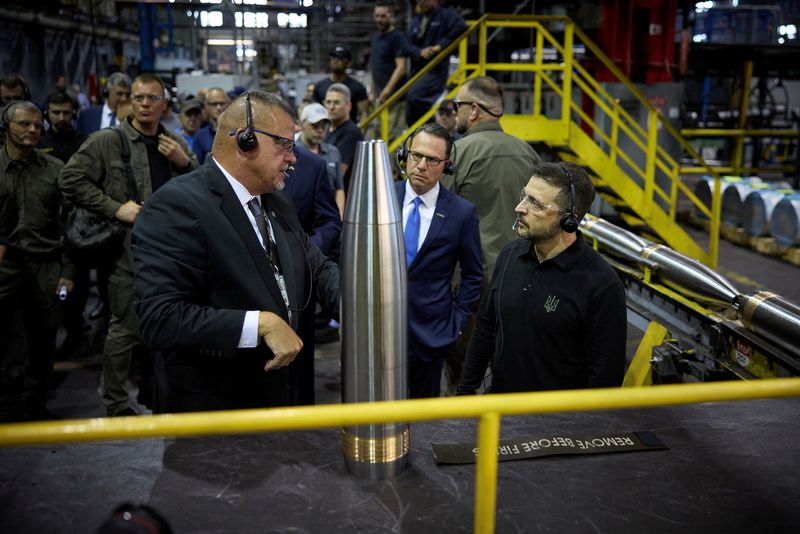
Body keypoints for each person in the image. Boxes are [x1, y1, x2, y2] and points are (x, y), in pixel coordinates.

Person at [131, 91, 340, 413]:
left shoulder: (275, 201)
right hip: (216, 408)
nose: (292, 157)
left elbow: (316, 264)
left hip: (276, 396)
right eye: (284, 144)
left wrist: (361, 305)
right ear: (246, 140)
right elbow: (161, 318)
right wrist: (260, 324)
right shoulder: (176, 206)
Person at [59, 73, 197, 416]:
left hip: (170, 251)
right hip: (128, 252)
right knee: (125, 327)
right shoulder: (109, 141)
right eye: (139, 98)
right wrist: (115, 207)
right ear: (129, 102)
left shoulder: (173, 142)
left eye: (153, 99)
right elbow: (70, 179)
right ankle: (116, 402)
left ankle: (158, 394)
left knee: (168, 325)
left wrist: (185, 163)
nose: (145, 105)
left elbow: (199, 190)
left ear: (165, 104)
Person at [457, 162, 627, 394]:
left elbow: (604, 381)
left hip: (556, 426)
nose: (519, 208)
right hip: (500, 411)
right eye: (524, 196)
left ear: (570, 219)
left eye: (535, 204)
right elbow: (486, 329)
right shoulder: (510, 255)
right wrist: (464, 394)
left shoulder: (601, 285)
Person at [440, 76, 541, 393]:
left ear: (473, 111)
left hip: (469, 287)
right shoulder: (527, 154)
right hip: (520, 282)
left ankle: (463, 432)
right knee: (509, 367)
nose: (454, 113)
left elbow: (439, 223)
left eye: (457, 106)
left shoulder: (458, 154)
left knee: (463, 372)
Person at [396, 123, 482, 398]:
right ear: (404, 155)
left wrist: (455, 323)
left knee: (424, 421)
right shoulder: (382, 196)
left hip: (430, 335)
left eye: (432, 160)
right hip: (379, 331)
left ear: (447, 166)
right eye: (415, 155)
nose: (421, 165)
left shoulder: (461, 213)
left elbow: (473, 274)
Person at [0, 101, 74, 420]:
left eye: (36, 124)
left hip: (47, 266)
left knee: (44, 338)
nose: (33, 130)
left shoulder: (56, 170)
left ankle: (36, 401)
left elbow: (72, 224)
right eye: (24, 124)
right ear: (6, 128)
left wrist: (68, 272)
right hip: (5, 264)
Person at [405, 0, 466, 126]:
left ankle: (427, 128)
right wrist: (419, 52)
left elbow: (462, 26)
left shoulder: (445, 16)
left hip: (435, 70)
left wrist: (440, 46)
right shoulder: (416, 20)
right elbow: (406, 45)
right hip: (417, 71)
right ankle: (419, 131)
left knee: (414, 97)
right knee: (410, 104)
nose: (421, 2)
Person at [295, 102, 344, 216]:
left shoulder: (333, 152)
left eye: (324, 126)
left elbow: (339, 188)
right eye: (315, 125)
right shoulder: (291, 153)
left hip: (326, 218)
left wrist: (338, 218)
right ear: (302, 124)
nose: (320, 130)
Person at [324, 83, 363, 195]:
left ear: (348, 106)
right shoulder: (326, 129)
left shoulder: (351, 132)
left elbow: (337, 172)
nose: (331, 107)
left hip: (341, 196)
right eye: (328, 102)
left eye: (336, 103)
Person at [312, 46, 368, 123]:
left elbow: (364, 114)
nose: (335, 61)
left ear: (348, 63)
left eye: (340, 58)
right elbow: (314, 112)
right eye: (333, 57)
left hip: (348, 131)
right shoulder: (319, 86)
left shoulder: (358, 88)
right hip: (325, 132)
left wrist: (358, 133)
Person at [38, 91, 88, 163]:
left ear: (73, 114)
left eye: (66, 113)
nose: (61, 118)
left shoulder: (84, 142)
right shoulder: (39, 142)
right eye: (56, 112)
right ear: (46, 113)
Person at [192, 87, 230, 164]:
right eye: (214, 104)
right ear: (206, 106)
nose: (218, 108)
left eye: (222, 103)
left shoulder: (238, 131)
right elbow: (197, 167)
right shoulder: (200, 136)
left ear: (228, 104)